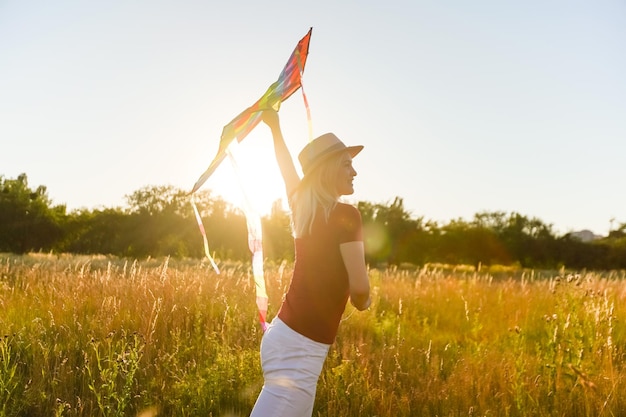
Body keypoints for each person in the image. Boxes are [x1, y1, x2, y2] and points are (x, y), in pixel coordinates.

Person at [250, 110, 371, 417]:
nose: (354, 171)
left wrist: (275, 128)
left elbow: (286, 168)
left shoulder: (304, 207)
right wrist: (365, 299)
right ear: (328, 169)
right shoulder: (346, 216)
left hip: (289, 339)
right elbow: (359, 290)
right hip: (301, 350)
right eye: (347, 163)